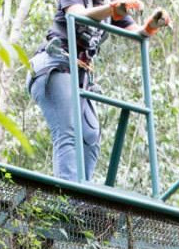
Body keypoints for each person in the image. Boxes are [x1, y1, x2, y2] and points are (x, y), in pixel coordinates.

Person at [28, 1, 170, 182]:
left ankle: (84, 197)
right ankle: (69, 198)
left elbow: (136, 32)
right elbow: (76, 14)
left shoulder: (105, 5)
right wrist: (113, 9)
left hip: (80, 77)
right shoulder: (95, 5)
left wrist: (151, 26)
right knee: (68, 132)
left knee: (90, 136)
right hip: (55, 65)